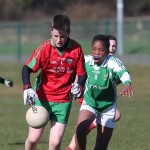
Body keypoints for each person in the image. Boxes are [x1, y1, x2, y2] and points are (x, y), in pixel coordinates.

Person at [21, 14, 87, 150]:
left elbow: (82, 74)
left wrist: (79, 85)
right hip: (42, 98)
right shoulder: (45, 48)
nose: (59, 40)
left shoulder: (76, 49)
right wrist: (27, 87)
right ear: (51, 30)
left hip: (63, 101)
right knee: (33, 139)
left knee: (55, 143)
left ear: (69, 32)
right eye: (56, 36)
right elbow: (26, 69)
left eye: (62, 36)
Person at [75, 34, 134, 150]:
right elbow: (74, 71)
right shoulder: (85, 60)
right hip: (90, 102)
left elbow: (124, 72)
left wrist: (127, 84)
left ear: (107, 51)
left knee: (101, 147)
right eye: (94, 49)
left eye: (101, 50)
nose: (96, 52)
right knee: (80, 130)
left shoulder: (113, 62)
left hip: (107, 107)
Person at [66, 35, 121, 150]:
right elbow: (80, 71)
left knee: (114, 116)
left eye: (114, 46)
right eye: (110, 46)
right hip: (88, 96)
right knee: (82, 128)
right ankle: (72, 146)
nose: (112, 48)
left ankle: (72, 146)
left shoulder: (113, 63)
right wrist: (76, 85)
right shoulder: (91, 60)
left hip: (103, 100)